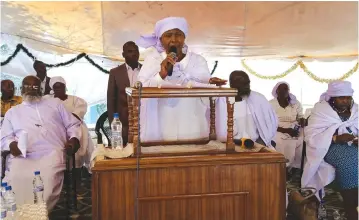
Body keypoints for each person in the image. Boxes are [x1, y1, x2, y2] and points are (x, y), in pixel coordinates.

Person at [136, 17, 226, 142]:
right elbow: (141, 90)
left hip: (194, 128)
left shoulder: (198, 60)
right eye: (168, 35)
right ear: (161, 39)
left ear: (184, 38)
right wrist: (161, 75)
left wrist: (209, 83)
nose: (173, 39)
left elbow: (207, 97)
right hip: (163, 130)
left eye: (178, 35)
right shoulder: (152, 60)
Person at [1, 75, 81, 211]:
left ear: (42, 88)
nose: (31, 89)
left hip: (51, 153)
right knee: (15, 179)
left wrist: (74, 139)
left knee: (46, 185)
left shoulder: (55, 104)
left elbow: (73, 125)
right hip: (23, 156)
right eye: (27, 86)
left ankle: (37, 215)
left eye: (35, 86)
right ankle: (17, 215)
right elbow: (4, 137)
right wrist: (11, 145)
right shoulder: (13, 112)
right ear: (21, 89)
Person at [302, 80, 358, 220]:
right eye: (341, 98)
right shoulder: (321, 111)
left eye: (348, 97)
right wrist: (336, 139)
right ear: (333, 98)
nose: (345, 101)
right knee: (349, 162)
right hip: (328, 146)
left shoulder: (355, 110)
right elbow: (311, 136)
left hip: (353, 144)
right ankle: (351, 205)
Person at [216, 71, 278, 147]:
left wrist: (261, 143)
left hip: (256, 144)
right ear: (232, 84)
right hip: (230, 145)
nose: (247, 86)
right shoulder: (221, 101)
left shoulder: (259, 99)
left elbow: (271, 123)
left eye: (248, 83)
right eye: (243, 83)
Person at [45, 76, 94, 172]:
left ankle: (77, 172)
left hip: (74, 128)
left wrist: (63, 119)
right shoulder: (47, 101)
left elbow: (75, 117)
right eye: (56, 87)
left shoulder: (76, 100)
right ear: (52, 89)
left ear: (65, 87)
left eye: (61, 86)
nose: (59, 89)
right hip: (55, 129)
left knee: (78, 139)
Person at [107, 41, 141, 145]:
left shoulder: (146, 70)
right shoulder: (115, 72)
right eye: (130, 51)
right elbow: (111, 100)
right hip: (123, 123)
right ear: (123, 55)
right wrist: (114, 128)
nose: (134, 54)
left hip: (144, 121)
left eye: (136, 51)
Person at [269, 82, 304, 169]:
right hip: (276, 129)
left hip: (293, 127)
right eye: (280, 89)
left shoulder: (295, 103)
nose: (283, 91)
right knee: (280, 141)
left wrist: (302, 121)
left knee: (302, 139)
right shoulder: (271, 103)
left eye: (285, 89)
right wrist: (286, 130)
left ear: (288, 91)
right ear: (276, 91)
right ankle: (283, 167)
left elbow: (300, 117)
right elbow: (268, 122)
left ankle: (296, 167)